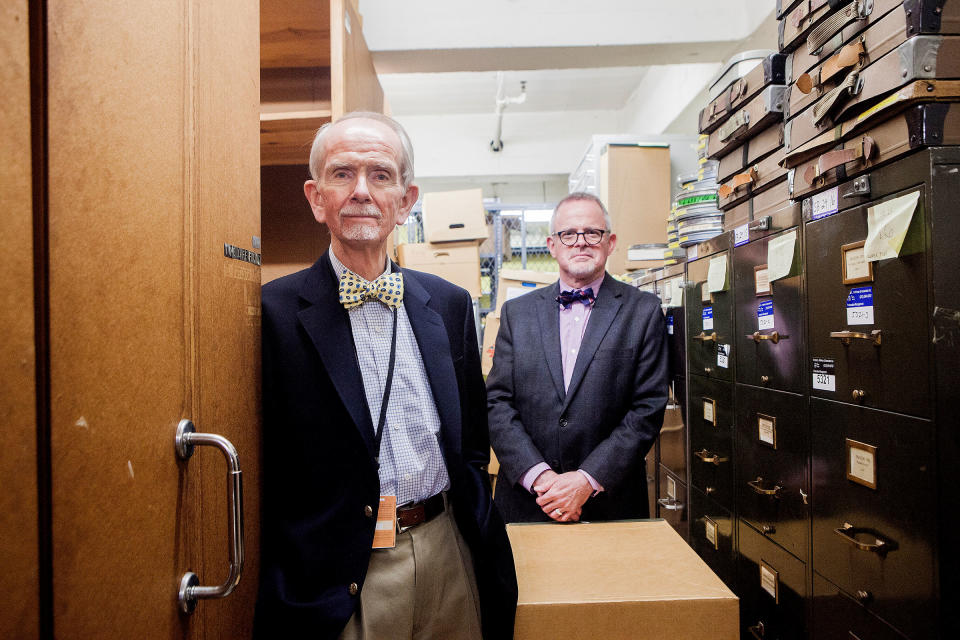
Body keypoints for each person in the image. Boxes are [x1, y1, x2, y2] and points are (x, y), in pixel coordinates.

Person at [254, 112, 517, 640]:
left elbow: (470, 442)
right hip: (341, 573)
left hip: (448, 553)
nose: (361, 191)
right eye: (341, 174)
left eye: (380, 174)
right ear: (315, 196)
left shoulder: (448, 304)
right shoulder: (273, 313)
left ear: (406, 199)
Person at [486, 192, 668, 523]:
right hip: (530, 502)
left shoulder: (643, 311)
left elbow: (647, 408)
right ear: (552, 245)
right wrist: (541, 478)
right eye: (568, 234)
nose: (580, 242)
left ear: (610, 242)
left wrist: (585, 480)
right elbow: (497, 403)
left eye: (592, 233)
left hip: (608, 504)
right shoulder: (518, 313)